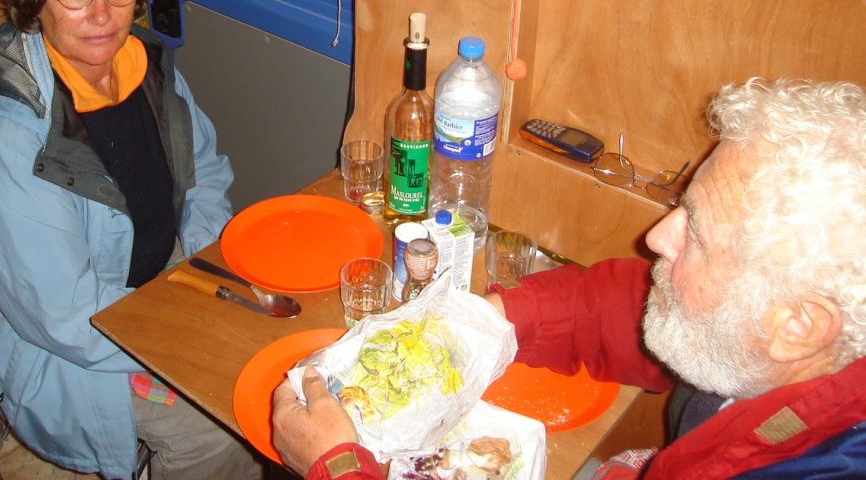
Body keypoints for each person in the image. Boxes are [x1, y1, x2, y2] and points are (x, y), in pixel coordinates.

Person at [272, 78, 866, 479]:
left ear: (797, 326)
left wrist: (340, 467)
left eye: (699, 234)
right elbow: (620, 305)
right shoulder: (767, 339)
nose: (658, 236)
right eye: (682, 206)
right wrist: (488, 321)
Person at [0, 0, 262, 480]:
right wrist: (182, 334)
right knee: (219, 426)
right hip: (65, 348)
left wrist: (206, 268)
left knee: (270, 347)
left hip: (161, 286)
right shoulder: (4, 148)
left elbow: (206, 172)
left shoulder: (148, 72)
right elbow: (66, 317)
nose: (102, 13)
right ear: (36, 4)